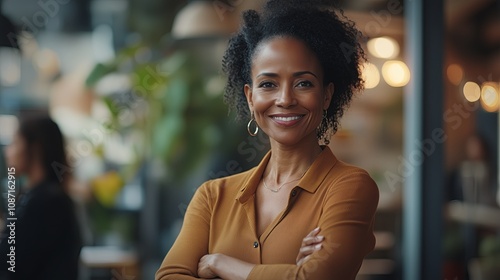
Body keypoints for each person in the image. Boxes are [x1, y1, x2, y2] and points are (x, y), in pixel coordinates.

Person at [156, 0, 379, 279]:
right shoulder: (212, 197)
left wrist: (219, 264)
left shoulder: (350, 187)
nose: (285, 99)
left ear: (326, 95)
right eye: (268, 84)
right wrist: (289, 272)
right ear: (251, 98)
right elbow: (169, 276)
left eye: (304, 83)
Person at [0, 115, 82, 280]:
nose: (7, 151)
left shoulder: (47, 202)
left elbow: (11, 261)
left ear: (34, 148)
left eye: (15, 142)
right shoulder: (40, 197)